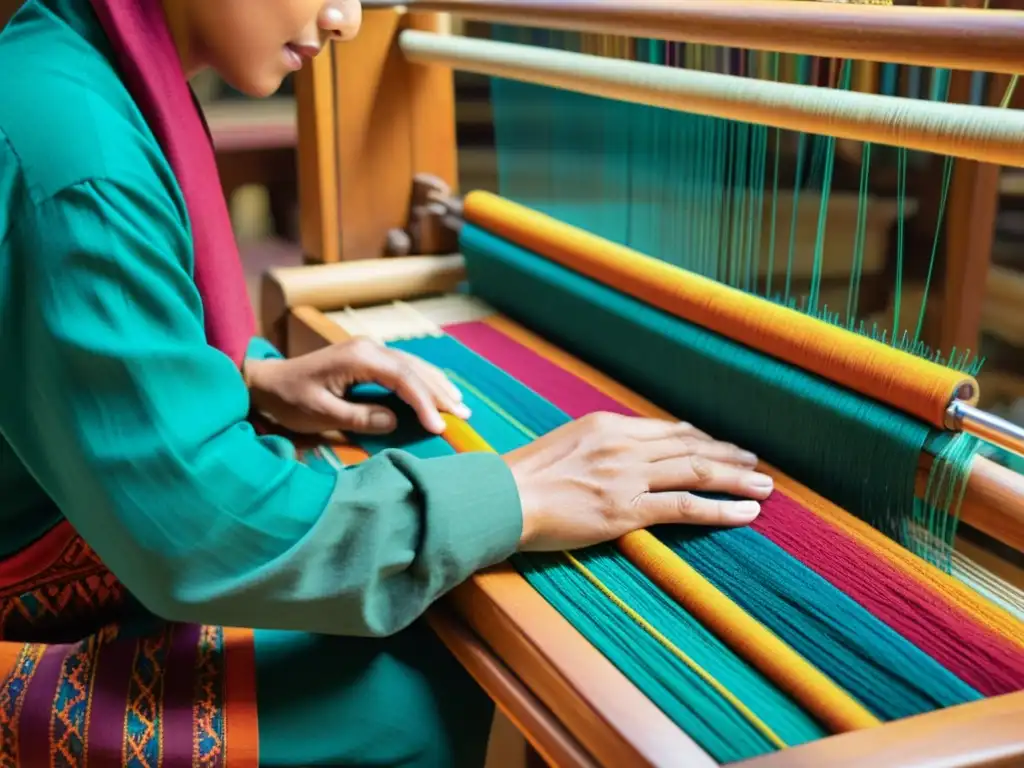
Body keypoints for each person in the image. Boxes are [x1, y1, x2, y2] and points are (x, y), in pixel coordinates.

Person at [0, 0, 774, 764]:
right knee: (430, 706)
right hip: (25, 632)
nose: (347, 19)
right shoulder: (77, 152)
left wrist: (249, 377)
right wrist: (519, 494)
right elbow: (201, 534)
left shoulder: (65, 68)